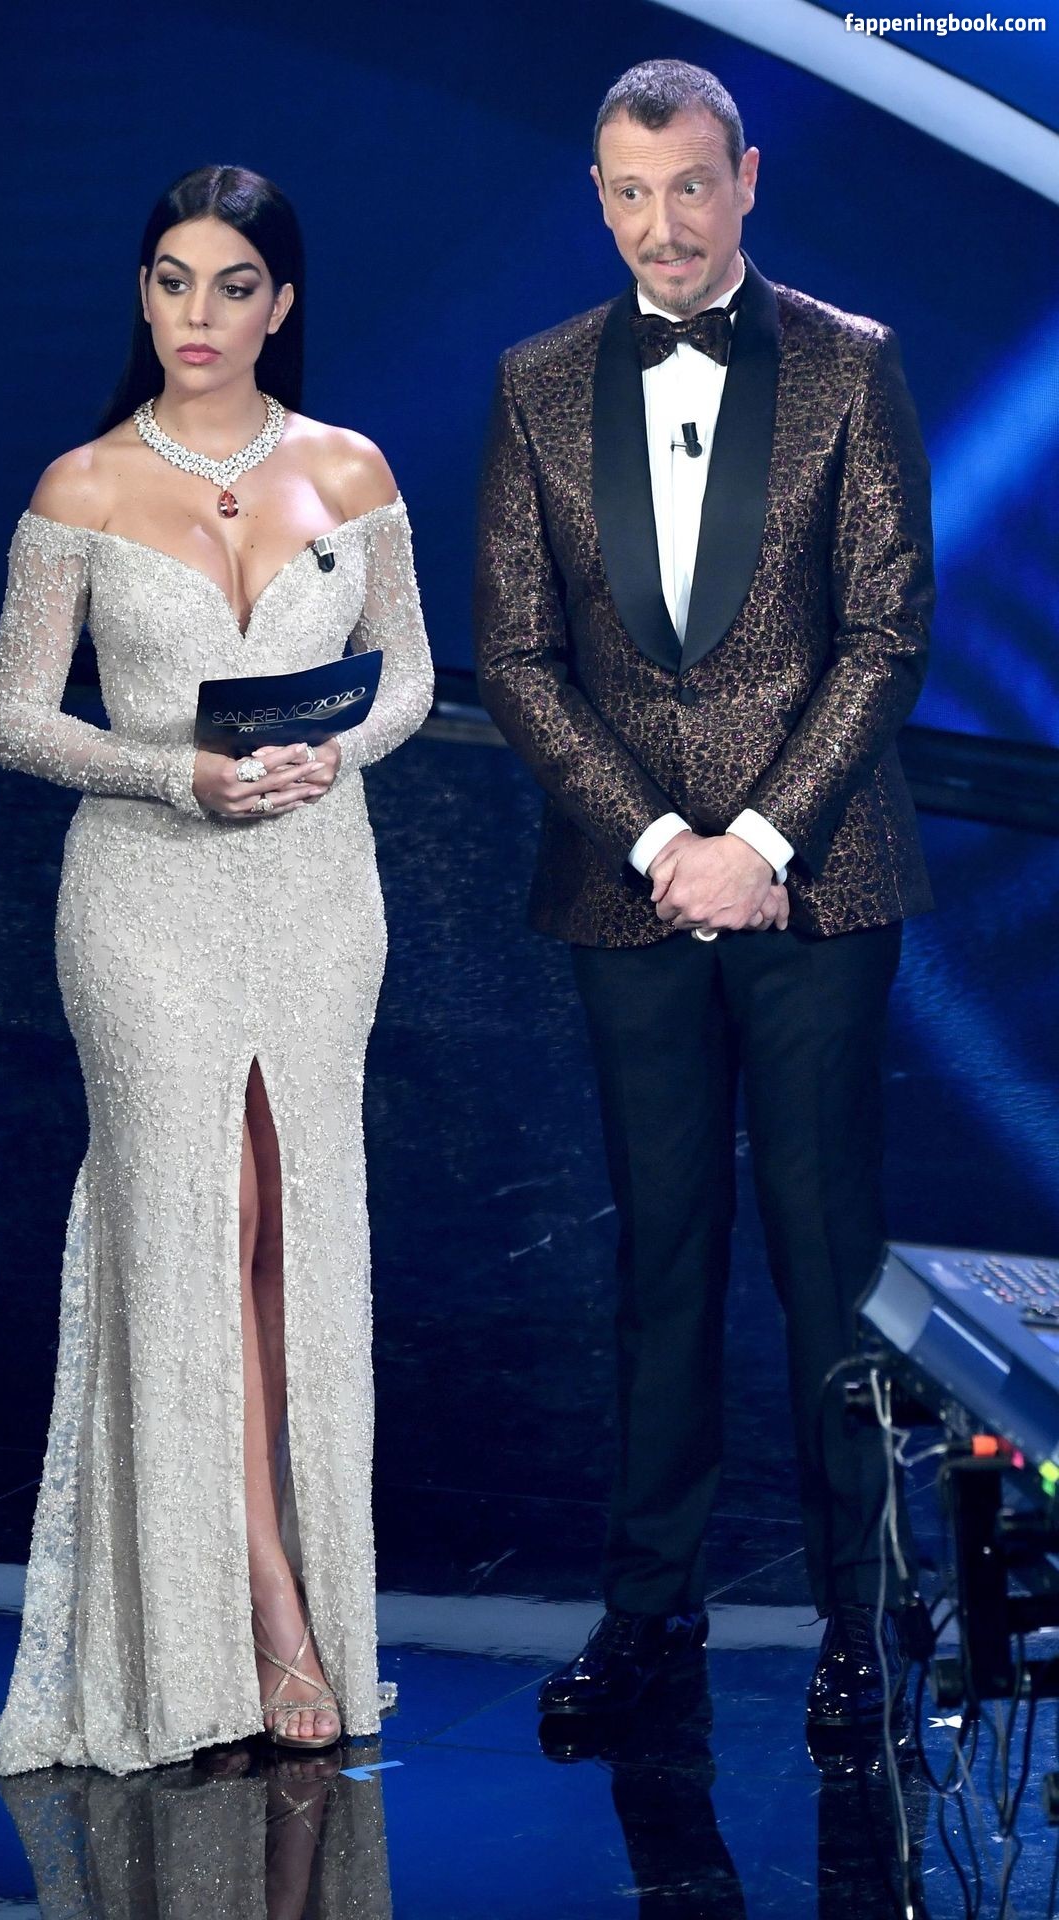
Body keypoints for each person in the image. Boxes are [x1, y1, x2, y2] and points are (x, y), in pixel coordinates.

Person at [0, 165, 433, 1776]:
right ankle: (263, 1605)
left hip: (318, 895)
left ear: (282, 303)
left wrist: (342, 751)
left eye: (230, 285)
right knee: (198, 1228)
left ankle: (288, 1572)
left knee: (289, 1235)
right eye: (169, 279)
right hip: (146, 902)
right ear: (141, 294)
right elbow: (16, 719)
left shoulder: (350, 469)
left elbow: (412, 676)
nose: (195, 315)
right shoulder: (81, 486)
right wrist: (173, 774)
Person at [474, 60, 933, 1743]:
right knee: (662, 1259)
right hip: (630, 893)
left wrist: (762, 843)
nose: (660, 223)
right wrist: (665, 843)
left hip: (820, 888)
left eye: (687, 185)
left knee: (829, 1262)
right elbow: (517, 655)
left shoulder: (850, 362)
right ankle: (647, 1612)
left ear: (746, 179)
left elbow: (886, 631)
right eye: (628, 191)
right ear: (598, 197)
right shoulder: (535, 382)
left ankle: (863, 1625)